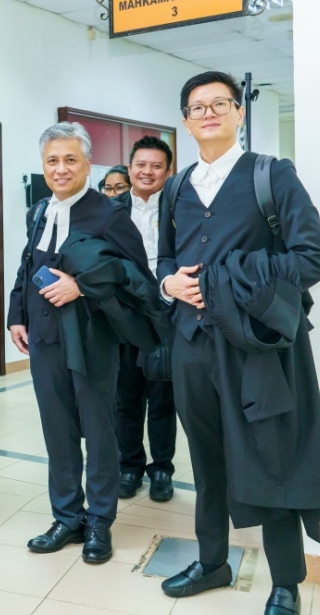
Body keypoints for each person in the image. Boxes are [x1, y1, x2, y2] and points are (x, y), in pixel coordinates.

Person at [158, 71, 320, 615]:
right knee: (205, 459)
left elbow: (313, 258)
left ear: (239, 113)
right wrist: (167, 284)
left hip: (255, 348)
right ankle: (212, 562)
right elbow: (165, 258)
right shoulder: (176, 187)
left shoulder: (271, 175)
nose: (208, 113)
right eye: (198, 107)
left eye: (220, 104)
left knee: (270, 457)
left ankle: (286, 583)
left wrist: (230, 278)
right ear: (186, 122)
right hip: (192, 344)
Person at [8, 123, 158, 565]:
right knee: (57, 432)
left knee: (99, 432)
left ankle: (99, 522)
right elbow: (26, 265)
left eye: (70, 159)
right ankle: (67, 517)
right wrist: (16, 316)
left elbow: (136, 279)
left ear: (88, 164)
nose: (61, 169)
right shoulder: (38, 212)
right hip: (44, 338)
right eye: (52, 160)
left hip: (93, 338)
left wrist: (82, 286)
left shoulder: (109, 215)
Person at [113, 136, 177, 501]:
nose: (147, 172)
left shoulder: (180, 207)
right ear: (130, 168)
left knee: (163, 397)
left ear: (168, 171)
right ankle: (130, 466)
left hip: (166, 312)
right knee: (126, 396)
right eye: (141, 165)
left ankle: (162, 469)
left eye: (156, 166)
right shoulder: (112, 210)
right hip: (123, 315)